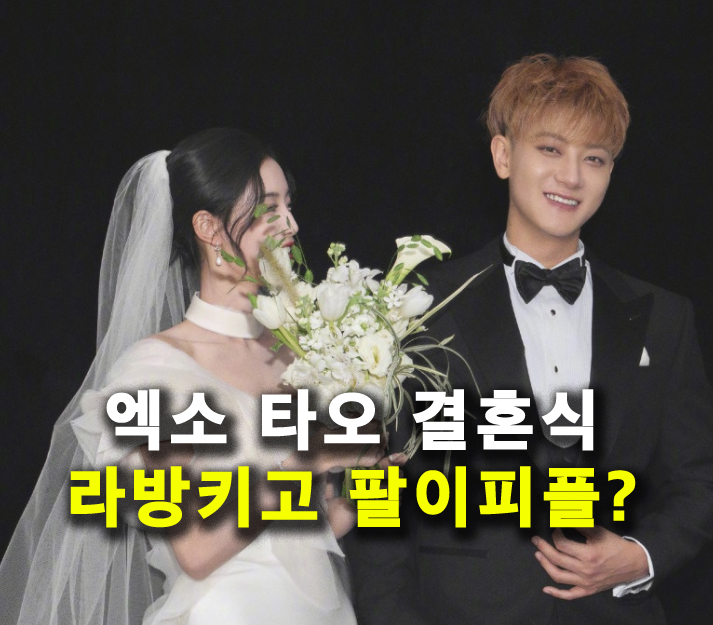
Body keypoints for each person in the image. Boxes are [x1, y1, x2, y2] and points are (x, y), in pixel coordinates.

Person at [346, 54, 713, 624]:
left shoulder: (665, 318)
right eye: (550, 149)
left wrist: (639, 557)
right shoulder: (416, 308)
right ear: (502, 155)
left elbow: (698, 480)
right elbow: (380, 494)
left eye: (594, 158)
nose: (572, 176)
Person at [0, 128, 383, 624]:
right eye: (269, 207)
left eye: (288, 204)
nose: (290, 223)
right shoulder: (153, 369)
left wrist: (371, 481)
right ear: (209, 227)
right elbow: (196, 549)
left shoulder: (302, 353)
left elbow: (308, 531)